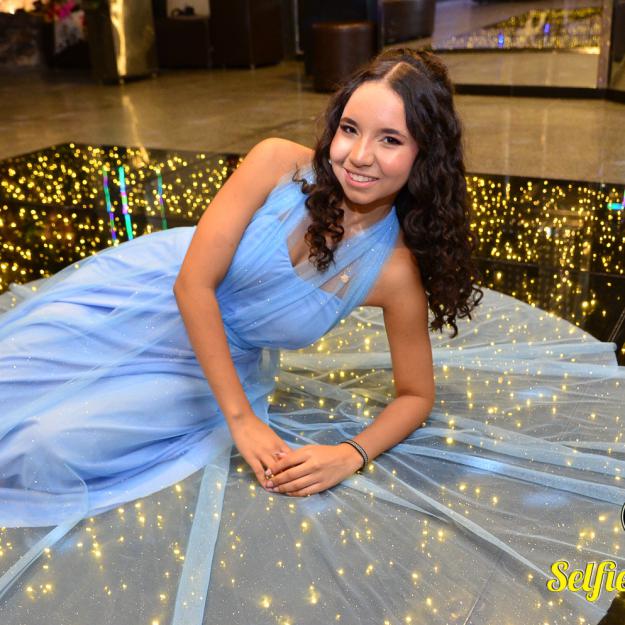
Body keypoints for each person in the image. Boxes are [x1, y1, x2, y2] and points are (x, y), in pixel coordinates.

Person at [0, 48, 623, 625]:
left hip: (211, 363)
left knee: (45, 447)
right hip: (148, 294)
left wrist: (350, 454)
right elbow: (193, 284)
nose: (359, 156)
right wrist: (243, 421)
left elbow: (416, 395)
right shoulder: (278, 163)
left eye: (390, 140)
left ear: (424, 155)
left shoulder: (393, 271)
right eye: (350, 129)